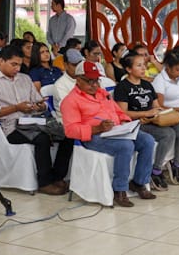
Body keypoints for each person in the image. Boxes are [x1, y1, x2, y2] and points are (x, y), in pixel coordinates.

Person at [0, 46, 73, 195]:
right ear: (1, 61)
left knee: (68, 134)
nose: (17, 68)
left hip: (33, 121)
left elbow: (38, 103)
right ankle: (44, 182)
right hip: (10, 127)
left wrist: (40, 106)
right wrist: (16, 108)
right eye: (13, 64)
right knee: (42, 139)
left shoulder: (25, 78)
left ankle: (57, 176)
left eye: (20, 64)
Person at [61, 61, 156, 207]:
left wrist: (125, 122)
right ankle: (119, 190)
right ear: (78, 80)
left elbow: (118, 111)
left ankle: (139, 182)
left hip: (116, 131)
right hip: (93, 136)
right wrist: (97, 129)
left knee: (148, 140)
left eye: (96, 81)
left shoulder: (102, 93)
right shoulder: (70, 101)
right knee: (125, 146)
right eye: (89, 81)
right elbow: (70, 130)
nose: (94, 85)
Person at [149, 49, 179, 184]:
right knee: (169, 134)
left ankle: (177, 165)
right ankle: (156, 170)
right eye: (177, 70)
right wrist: (176, 109)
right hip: (166, 115)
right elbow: (159, 105)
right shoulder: (159, 80)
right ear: (167, 68)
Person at [52, 48, 84, 121]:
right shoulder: (60, 85)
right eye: (75, 65)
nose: (79, 68)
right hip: (68, 122)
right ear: (65, 65)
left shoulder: (86, 79)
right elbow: (70, 109)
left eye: (80, 64)